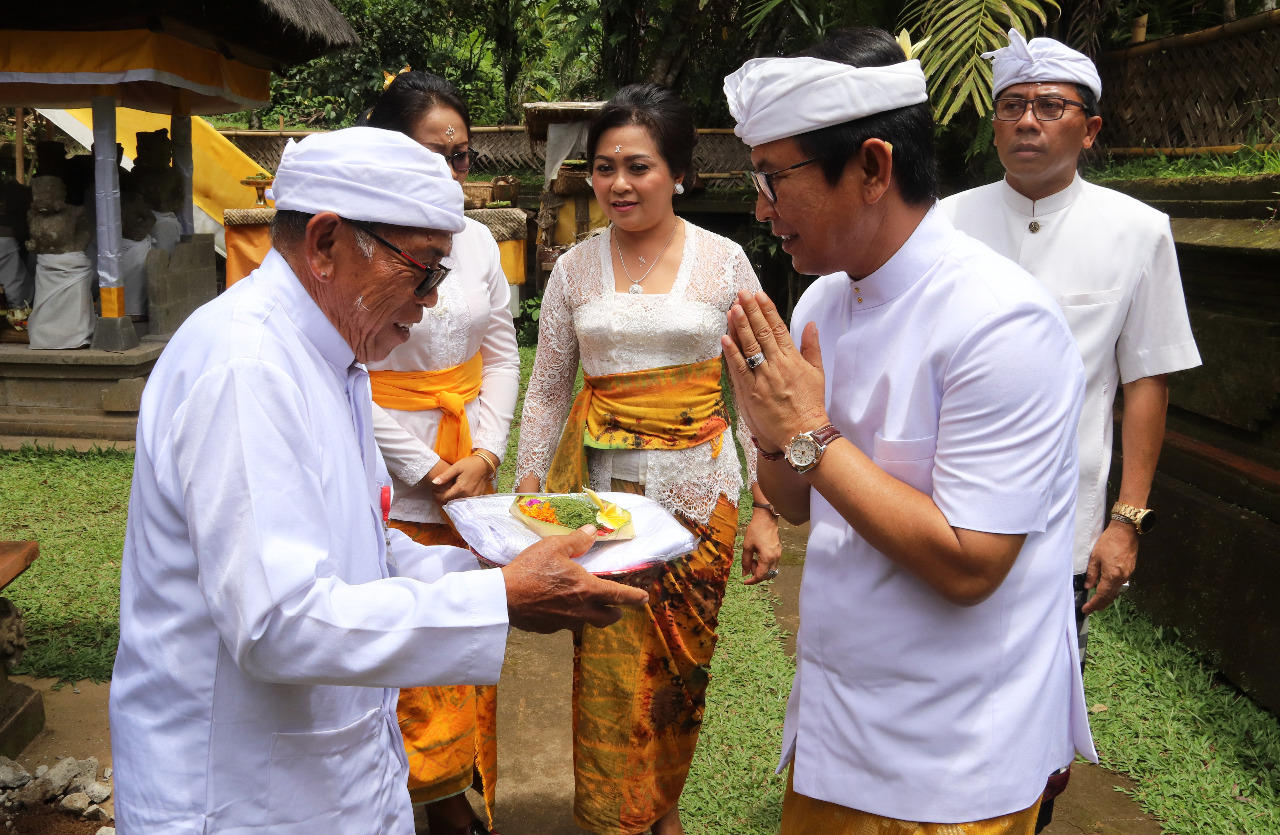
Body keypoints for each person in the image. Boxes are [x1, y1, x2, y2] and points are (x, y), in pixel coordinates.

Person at [109, 127, 649, 834]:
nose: (430, 301)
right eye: (421, 269)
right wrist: (498, 597)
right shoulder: (245, 367)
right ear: (328, 243)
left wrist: (491, 562)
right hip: (241, 794)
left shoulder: (337, 361)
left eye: (441, 276)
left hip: (332, 776)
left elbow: (367, 548)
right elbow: (279, 621)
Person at [721, 28, 1095, 832]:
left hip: (952, 750)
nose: (761, 207)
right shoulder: (822, 300)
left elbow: (970, 564)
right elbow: (794, 502)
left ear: (873, 167)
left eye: (774, 178)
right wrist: (769, 432)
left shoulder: (1001, 322)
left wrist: (810, 433)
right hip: (835, 720)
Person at [939, 29, 1202, 828]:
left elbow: (1144, 378)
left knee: (1039, 711)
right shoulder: (942, 224)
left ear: (1089, 129)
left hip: (1066, 521)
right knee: (943, 697)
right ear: (993, 128)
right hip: (943, 513)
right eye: (1012, 105)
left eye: (1050, 106)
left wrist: (1127, 519)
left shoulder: (1139, 230)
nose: (1028, 121)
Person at [513, 83, 782, 835]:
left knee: (680, 675)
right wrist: (529, 488)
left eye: (638, 166)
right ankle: (616, 815)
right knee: (605, 666)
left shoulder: (724, 262)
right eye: (603, 168)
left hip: (701, 503)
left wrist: (765, 506)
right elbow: (545, 391)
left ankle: (658, 810)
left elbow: (760, 390)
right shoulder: (573, 269)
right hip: (603, 509)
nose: (618, 185)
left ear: (679, 172)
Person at [360, 71, 520, 835]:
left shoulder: (482, 240)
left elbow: (502, 351)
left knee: (463, 659)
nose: (453, 173)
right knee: (411, 686)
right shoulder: (368, 250)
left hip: (475, 485)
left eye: (461, 157)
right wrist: (424, 469)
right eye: (435, 155)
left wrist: (486, 450)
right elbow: (352, 373)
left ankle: (461, 805)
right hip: (398, 483)